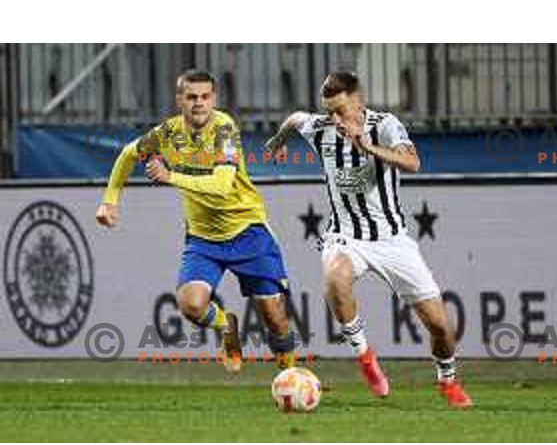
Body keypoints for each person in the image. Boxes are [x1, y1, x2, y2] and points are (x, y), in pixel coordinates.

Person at [266, 72, 472, 408]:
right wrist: (278, 141)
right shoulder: (320, 129)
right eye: (329, 111)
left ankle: (447, 381)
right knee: (335, 278)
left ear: (359, 100)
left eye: (341, 110)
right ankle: (365, 358)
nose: (334, 118)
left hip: (392, 240)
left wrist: (367, 146)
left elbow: (412, 162)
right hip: (345, 236)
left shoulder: (385, 125)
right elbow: (294, 119)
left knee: (441, 327)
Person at [96, 69, 297, 372]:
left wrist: (170, 176)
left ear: (214, 99)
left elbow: (220, 185)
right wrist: (109, 201)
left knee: (274, 316)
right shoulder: (168, 133)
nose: (199, 103)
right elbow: (128, 154)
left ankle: (290, 374)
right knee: (191, 304)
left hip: (247, 230)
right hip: (203, 238)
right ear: (180, 100)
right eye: (191, 97)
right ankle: (226, 326)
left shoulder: (224, 128)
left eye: (205, 97)